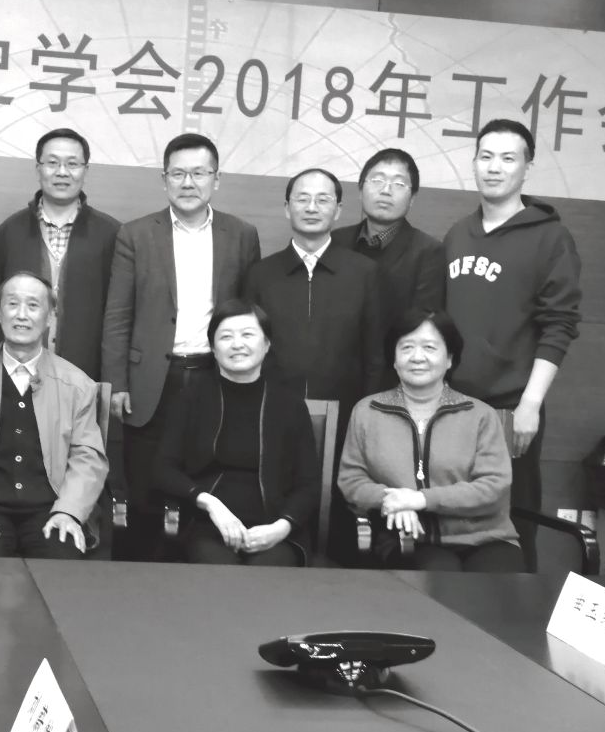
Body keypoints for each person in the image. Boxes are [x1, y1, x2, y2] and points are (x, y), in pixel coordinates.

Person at [102, 132, 260, 557]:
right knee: (144, 487)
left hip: (214, 376)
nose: (188, 182)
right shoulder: (136, 234)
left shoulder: (242, 235)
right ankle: (137, 575)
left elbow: (248, 315)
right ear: (164, 179)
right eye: (178, 174)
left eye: (199, 173)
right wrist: (117, 383)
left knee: (205, 478)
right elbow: (118, 315)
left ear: (216, 179)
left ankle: (195, 572)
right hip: (152, 379)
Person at [443, 119, 581, 566]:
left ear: (527, 168)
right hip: (451, 408)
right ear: (474, 163)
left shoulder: (550, 237)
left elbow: (559, 324)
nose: (494, 167)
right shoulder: (457, 233)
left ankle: (516, 609)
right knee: (449, 527)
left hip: (510, 411)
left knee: (511, 532)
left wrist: (530, 404)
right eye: (485, 157)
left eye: (508, 158)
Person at [0, 270, 107, 559]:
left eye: (33, 305)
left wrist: (68, 512)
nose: (21, 315)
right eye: (12, 304)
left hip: (51, 509)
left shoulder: (77, 383)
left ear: (50, 317)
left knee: (61, 562)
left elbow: (88, 458)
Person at [338, 308, 522, 573]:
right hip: (409, 537)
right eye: (407, 347)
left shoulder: (480, 415)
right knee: (438, 578)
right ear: (394, 359)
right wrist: (392, 501)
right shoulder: (368, 411)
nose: (417, 357)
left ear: (449, 359)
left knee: (499, 583)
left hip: (486, 537)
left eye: (429, 347)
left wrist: (420, 500)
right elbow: (351, 480)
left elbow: (494, 487)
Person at [153, 300, 317, 566]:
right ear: (213, 348)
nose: (237, 344)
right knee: (219, 573)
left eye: (247, 334)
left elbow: (308, 484)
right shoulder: (190, 399)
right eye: (226, 337)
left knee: (270, 574)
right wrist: (210, 504)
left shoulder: (290, 405)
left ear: (266, 344)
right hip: (206, 525)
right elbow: (163, 469)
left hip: (275, 527)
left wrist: (282, 527)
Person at [0, 128, 120, 381]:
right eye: (53, 163)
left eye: (72, 164)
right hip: (17, 371)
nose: (62, 172)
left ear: (86, 171)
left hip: (85, 374)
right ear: (38, 168)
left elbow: (118, 317)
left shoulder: (110, 234)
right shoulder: (10, 232)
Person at [245, 167, 383, 408]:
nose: (311, 208)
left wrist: (368, 410)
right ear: (287, 208)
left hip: (347, 409)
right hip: (271, 408)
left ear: (338, 210)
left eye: (322, 200)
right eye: (302, 199)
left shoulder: (365, 273)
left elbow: (375, 356)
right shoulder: (261, 274)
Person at [330, 147, 447, 329]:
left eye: (399, 184)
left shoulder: (429, 253)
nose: (386, 190)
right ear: (360, 190)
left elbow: (422, 326)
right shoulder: (336, 242)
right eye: (377, 180)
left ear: (412, 198)